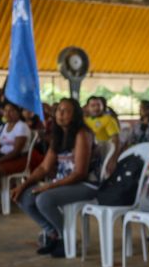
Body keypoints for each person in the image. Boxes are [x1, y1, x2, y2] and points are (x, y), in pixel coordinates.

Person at [12, 98, 102, 258]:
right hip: (65, 183)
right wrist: (23, 186)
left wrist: (49, 187)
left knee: (44, 199)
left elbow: (80, 173)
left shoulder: (82, 134)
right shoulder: (59, 135)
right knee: (24, 197)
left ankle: (66, 238)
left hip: (87, 184)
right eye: (59, 110)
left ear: (75, 115)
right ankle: (52, 233)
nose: (60, 114)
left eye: (65, 110)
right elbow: (44, 168)